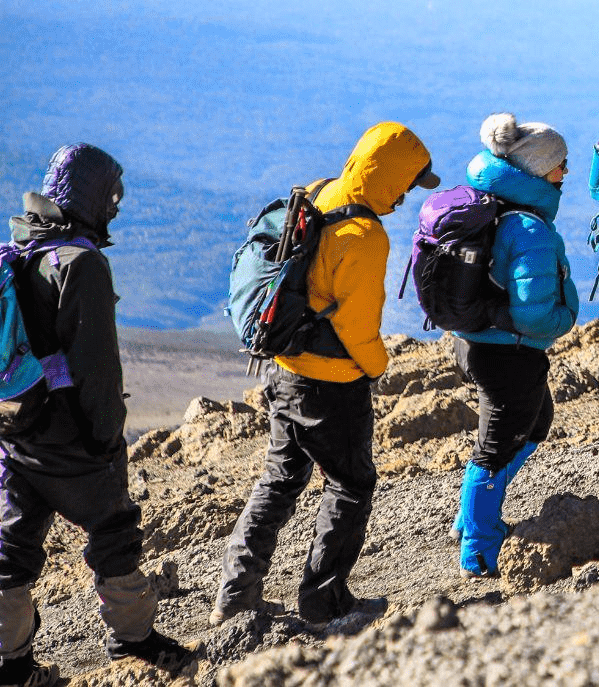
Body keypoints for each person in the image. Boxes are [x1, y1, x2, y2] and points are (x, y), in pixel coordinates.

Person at [215, 122, 437, 626]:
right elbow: (357, 329)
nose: (404, 198)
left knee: (280, 478)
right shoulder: (364, 237)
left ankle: (235, 594)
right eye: (405, 185)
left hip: (283, 367)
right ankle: (323, 602)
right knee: (351, 484)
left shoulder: (318, 192)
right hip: (331, 384)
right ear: (391, 178)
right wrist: (380, 367)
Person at [1, 146, 194, 682]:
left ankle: (10, 663)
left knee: (11, 544)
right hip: (71, 438)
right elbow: (97, 369)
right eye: (111, 196)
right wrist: (107, 439)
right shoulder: (82, 263)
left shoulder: (23, 248)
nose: (115, 207)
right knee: (113, 530)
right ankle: (134, 641)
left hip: (17, 431)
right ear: (93, 197)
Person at [450, 114, 578, 578]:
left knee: (537, 420)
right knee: (495, 448)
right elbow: (533, 313)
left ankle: (471, 516)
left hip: (477, 342)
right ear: (537, 170)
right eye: (560, 165)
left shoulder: (494, 206)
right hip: (508, 351)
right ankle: (477, 549)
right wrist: (565, 319)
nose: (565, 174)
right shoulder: (528, 229)